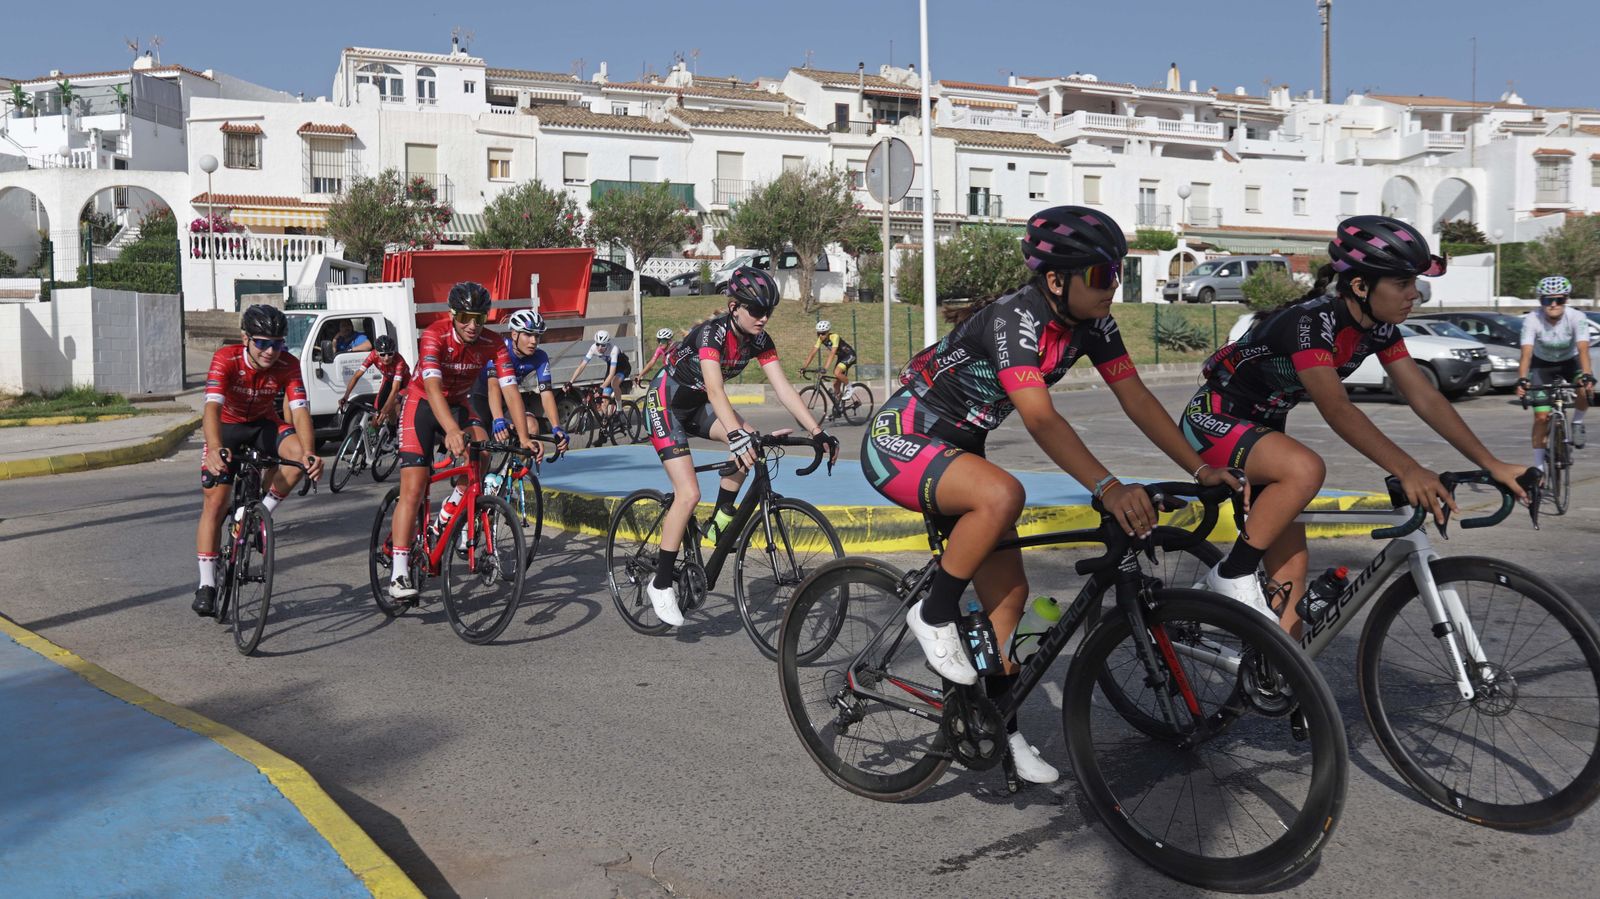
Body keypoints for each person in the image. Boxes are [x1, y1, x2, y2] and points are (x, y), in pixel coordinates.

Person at [866, 206, 1242, 785]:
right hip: (903, 437)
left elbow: (1137, 398)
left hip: (960, 449)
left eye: (1116, 272)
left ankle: (995, 720)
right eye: (1100, 275)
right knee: (1002, 495)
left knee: (1010, 600)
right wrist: (1108, 487)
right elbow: (1041, 420)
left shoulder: (1094, 323)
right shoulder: (1015, 320)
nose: (1112, 285)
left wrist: (1200, 465)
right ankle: (932, 610)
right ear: (1056, 280)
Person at [1183, 214, 1528, 633]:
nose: (1414, 294)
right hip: (1213, 420)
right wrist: (1407, 468)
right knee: (1306, 468)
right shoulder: (1310, 324)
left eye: (1414, 283)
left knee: (1292, 576)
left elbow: (1425, 396)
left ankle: (1274, 683)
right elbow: (1338, 409)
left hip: (1264, 432)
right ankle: (1231, 574)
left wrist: (1492, 463)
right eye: (1402, 284)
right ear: (1361, 286)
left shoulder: (1378, 329)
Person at [643, 266, 839, 627]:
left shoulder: (760, 341)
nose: (763, 318)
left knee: (753, 445)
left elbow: (783, 388)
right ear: (734, 307)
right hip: (665, 404)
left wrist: (816, 431)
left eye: (768, 312)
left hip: (699, 407)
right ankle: (660, 583)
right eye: (756, 310)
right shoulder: (712, 335)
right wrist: (735, 434)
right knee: (688, 494)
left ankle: (719, 522)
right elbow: (716, 390)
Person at [388, 282, 538, 601]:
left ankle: (447, 517)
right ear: (453, 314)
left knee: (481, 453)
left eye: (480, 318)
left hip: (459, 404)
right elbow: (430, 386)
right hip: (422, 404)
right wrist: (451, 431)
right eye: (466, 317)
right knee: (413, 487)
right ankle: (399, 571)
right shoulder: (435, 335)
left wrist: (524, 436)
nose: (473, 325)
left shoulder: (492, 342)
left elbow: (511, 388)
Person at [193, 304, 324, 616]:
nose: (270, 351)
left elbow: (301, 410)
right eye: (262, 343)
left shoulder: (288, 364)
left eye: (277, 343)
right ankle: (207, 584)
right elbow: (211, 408)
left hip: (264, 424)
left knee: (297, 461)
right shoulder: (226, 359)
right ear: (245, 339)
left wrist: (309, 453)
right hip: (227, 428)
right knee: (215, 501)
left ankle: (259, 513)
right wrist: (214, 448)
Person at [469, 309, 568, 455]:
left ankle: (512, 474)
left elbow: (546, 394)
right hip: (481, 396)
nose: (533, 341)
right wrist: (498, 419)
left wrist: (556, 428)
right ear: (514, 334)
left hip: (507, 399)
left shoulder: (540, 357)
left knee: (531, 426)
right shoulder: (500, 349)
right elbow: (493, 386)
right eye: (528, 334)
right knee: (482, 446)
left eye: (537, 335)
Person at [1517, 275, 1593, 461]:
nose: (1553, 304)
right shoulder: (1532, 319)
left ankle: (1577, 422)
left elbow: (1583, 348)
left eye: (1558, 299)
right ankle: (1538, 467)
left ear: (1565, 300)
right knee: (1541, 418)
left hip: (1569, 361)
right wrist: (1522, 378)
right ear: (1540, 301)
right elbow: (1526, 352)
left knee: (1584, 387)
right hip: (1542, 365)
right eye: (1547, 299)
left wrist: (1587, 375)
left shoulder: (1577, 317)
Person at [337, 334, 410, 432]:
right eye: (382, 355)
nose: (387, 358)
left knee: (391, 406)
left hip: (404, 385)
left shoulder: (399, 362)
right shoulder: (373, 355)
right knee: (377, 413)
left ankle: (394, 434)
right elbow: (356, 376)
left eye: (390, 354)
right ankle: (374, 437)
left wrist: (385, 410)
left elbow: (395, 389)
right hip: (389, 380)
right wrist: (346, 396)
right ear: (376, 352)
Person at [566, 329, 632, 414]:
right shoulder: (593, 348)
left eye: (603, 345)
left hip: (623, 367)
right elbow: (582, 366)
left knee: (614, 383)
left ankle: (619, 408)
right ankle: (608, 423)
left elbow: (612, 374)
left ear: (607, 344)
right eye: (598, 344)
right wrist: (570, 381)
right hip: (611, 366)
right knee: (604, 405)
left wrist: (601, 387)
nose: (600, 348)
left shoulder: (614, 349)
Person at [799, 319, 857, 412]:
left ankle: (850, 388)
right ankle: (838, 408)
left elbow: (832, 353)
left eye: (823, 333)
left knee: (837, 373)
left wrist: (825, 368)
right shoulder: (820, 340)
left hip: (849, 355)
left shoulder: (835, 337)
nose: (821, 336)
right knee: (835, 384)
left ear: (828, 332)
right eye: (818, 334)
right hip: (841, 357)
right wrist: (804, 367)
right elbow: (812, 353)